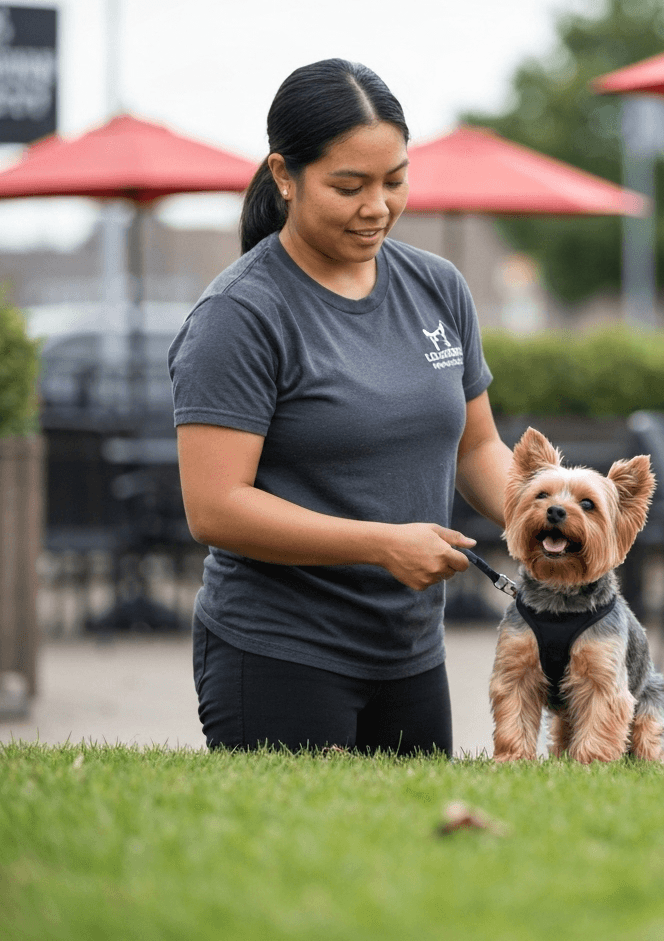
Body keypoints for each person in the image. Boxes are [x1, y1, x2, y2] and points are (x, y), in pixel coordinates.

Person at [169, 59, 512, 757]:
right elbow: (216, 508)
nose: (378, 207)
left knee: (415, 858)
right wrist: (382, 544)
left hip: (411, 650)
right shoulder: (241, 314)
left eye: (395, 180)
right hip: (279, 653)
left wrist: (550, 518)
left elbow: (476, 448)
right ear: (284, 176)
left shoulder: (437, 288)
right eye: (349, 186)